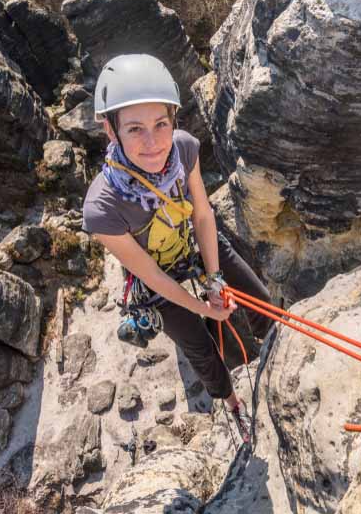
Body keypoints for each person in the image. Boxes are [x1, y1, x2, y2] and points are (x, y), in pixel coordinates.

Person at [81, 53, 272, 443]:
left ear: (173, 121)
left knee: (259, 300)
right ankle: (232, 404)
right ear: (110, 129)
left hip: (192, 242)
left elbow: (202, 213)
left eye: (161, 124)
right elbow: (149, 275)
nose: (153, 143)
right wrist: (204, 309)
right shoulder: (101, 208)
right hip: (153, 275)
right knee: (199, 345)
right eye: (135, 129)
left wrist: (215, 279)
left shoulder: (184, 148)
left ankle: (280, 362)